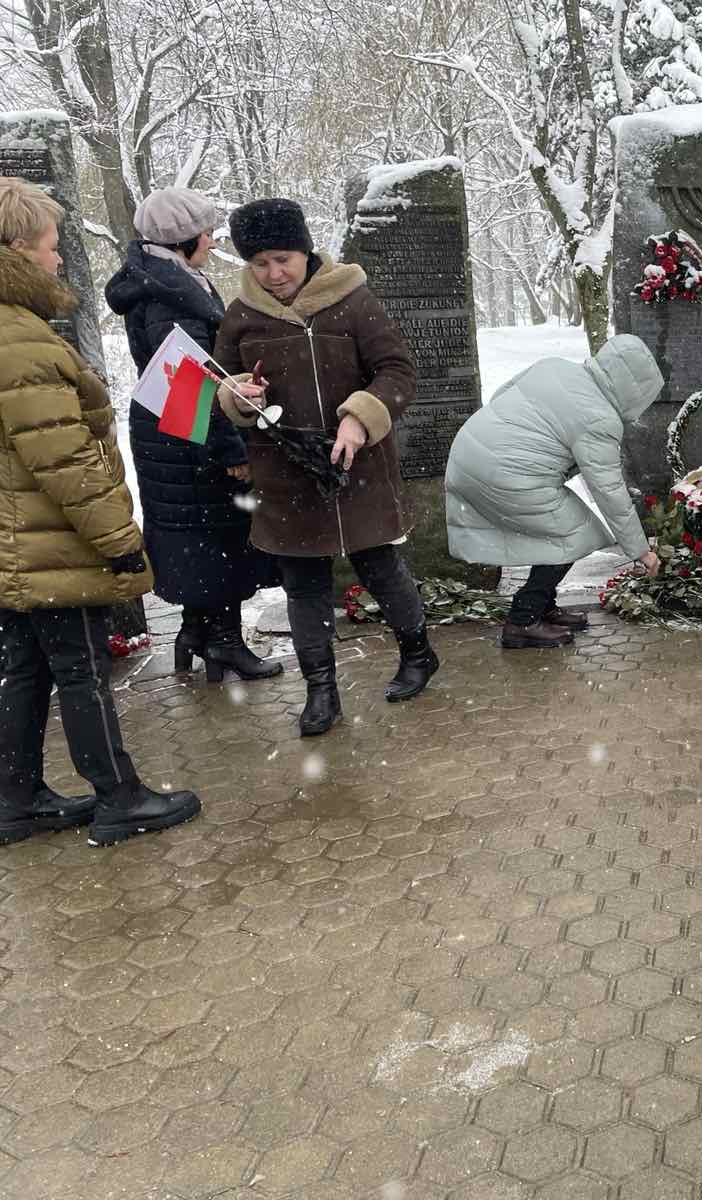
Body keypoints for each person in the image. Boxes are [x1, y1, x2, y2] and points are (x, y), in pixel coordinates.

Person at [0, 176, 201, 847]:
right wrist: (118, 540)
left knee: (25, 669)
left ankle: (17, 798)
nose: (59, 260)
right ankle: (120, 796)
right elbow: (61, 459)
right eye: (52, 247)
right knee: (79, 669)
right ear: (19, 252)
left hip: (14, 542)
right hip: (47, 540)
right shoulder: (19, 340)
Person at [213, 198, 436, 737]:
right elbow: (225, 388)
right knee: (303, 585)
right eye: (261, 263)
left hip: (356, 462)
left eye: (283, 258)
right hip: (286, 472)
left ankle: (419, 653)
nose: (274, 274)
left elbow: (397, 371)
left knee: (380, 569)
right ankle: (321, 690)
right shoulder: (241, 315)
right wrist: (239, 397)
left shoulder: (352, 300)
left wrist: (359, 418)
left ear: (305, 250)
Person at [105, 187, 281, 683]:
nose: (211, 238)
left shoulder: (166, 280)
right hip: (188, 430)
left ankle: (195, 633)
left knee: (193, 536)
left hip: (168, 428)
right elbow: (194, 384)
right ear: (182, 239)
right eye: (204, 231)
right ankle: (224, 642)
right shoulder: (172, 297)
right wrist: (230, 449)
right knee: (216, 535)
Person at [446, 335, 664, 647]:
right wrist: (641, 551)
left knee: (557, 530)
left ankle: (542, 606)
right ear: (636, 391)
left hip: (469, 454)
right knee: (574, 534)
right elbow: (610, 492)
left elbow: (502, 394)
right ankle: (523, 621)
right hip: (507, 473)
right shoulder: (599, 417)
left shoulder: (556, 367)